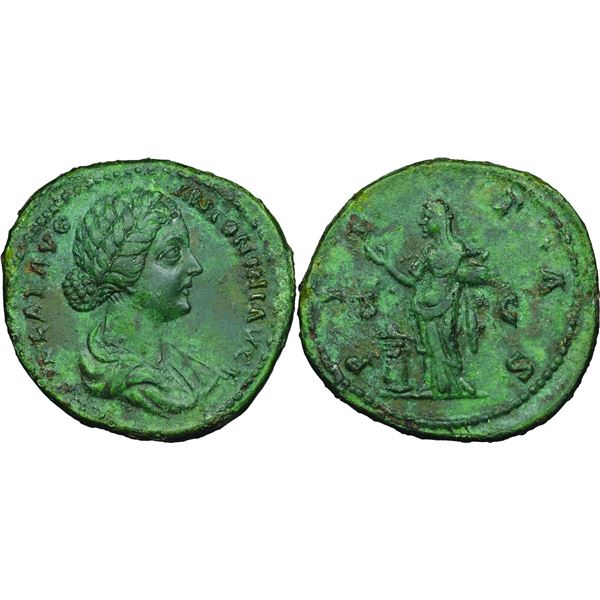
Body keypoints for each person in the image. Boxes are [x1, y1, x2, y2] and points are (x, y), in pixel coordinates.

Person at [62, 188, 218, 415]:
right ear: (124, 272)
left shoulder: (193, 373)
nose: (195, 266)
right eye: (173, 253)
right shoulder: (99, 372)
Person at [365, 198, 492, 398]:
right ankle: (430, 385)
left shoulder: (459, 251)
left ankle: (451, 385)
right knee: (428, 350)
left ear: (442, 220)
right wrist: (386, 264)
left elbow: (473, 276)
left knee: (447, 345)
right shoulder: (429, 251)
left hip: (446, 307)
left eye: (427, 217)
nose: (421, 222)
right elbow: (412, 281)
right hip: (422, 309)